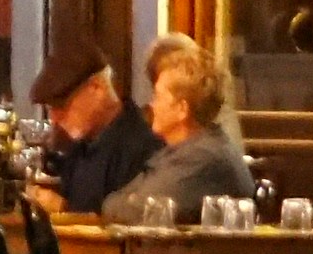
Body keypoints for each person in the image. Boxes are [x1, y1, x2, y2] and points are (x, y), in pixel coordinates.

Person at [100, 43, 259, 228]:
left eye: (158, 97)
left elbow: (131, 211)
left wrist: (123, 202)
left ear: (182, 109)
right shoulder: (186, 151)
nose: (152, 105)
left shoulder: (202, 158)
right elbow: (116, 203)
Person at [29, 39, 161, 215]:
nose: (54, 119)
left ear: (97, 88)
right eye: (50, 109)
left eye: (62, 106)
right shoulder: (79, 147)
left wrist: (65, 210)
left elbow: (129, 223)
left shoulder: (142, 146)